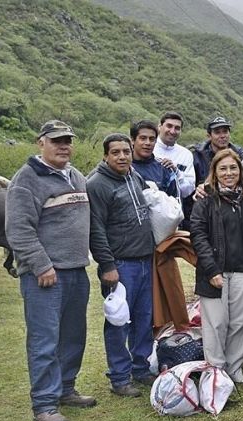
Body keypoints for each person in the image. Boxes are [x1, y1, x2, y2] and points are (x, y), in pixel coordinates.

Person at [6, 120, 95, 421]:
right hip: (45, 276)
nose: (63, 145)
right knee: (45, 340)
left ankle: (66, 389)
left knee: (73, 336)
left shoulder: (77, 176)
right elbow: (18, 229)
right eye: (56, 140)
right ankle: (44, 404)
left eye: (67, 140)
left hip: (76, 271)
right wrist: (41, 264)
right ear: (40, 142)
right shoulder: (26, 179)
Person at [190, 149, 243, 383]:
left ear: (240, 170)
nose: (228, 173)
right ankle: (215, 372)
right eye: (223, 168)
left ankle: (234, 368)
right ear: (214, 172)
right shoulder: (205, 199)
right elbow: (198, 234)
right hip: (214, 272)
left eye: (233, 168)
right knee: (216, 323)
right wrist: (211, 269)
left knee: (241, 322)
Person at [87, 133, 156, 397]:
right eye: (115, 152)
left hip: (143, 261)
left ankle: (140, 368)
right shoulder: (97, 184)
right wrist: (107, 265)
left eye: (126, 151)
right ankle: (119, 377)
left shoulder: (133, 176)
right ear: (105, 155)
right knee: (119, 321)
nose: (122, 156)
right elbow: (96, 230)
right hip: (119, 264)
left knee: (143, 318)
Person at [154, 111, 196, 229]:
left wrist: (176, 171)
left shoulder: (186, 154)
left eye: (177, 128)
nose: (172, 131)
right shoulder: (148, 148)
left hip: (175, 217)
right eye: (169, 126)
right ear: (159, 127)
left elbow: (188, 190)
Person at [130, 120, 180, 198]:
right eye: (143, 138)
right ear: (132, 140)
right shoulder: (122, 167)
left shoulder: (164, 168)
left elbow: (175, 203)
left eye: (152, 139)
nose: (148, 143)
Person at [193, 116, 243, 185]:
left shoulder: (240, 154)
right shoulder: (198, 156)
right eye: (217, 132)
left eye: (225, 131)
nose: (222, 136)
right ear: (209, 136)